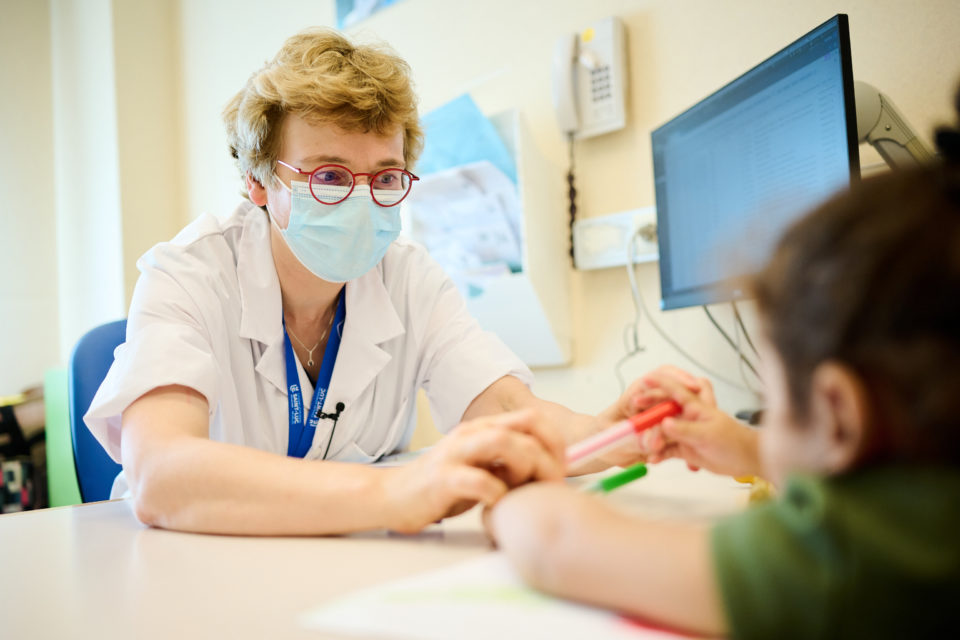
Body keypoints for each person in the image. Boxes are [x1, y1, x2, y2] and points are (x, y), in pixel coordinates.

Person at [85, 27, 644, 536]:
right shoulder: (188, 273)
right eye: (328, 174)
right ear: (259, 182)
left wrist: (615, 433)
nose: (359, 198)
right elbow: (162, 473)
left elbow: (504, 408)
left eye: (385, 176)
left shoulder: (409, 279)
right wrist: (400, 491)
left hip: (346, 565)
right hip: (188, 564)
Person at [487, 93, 960, 637]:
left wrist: (518, 497)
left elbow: (554, 542)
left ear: (837, 411)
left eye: (771, 399)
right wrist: (744, 447)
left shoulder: (854, 555)